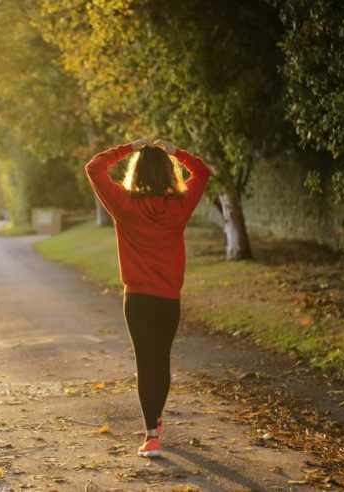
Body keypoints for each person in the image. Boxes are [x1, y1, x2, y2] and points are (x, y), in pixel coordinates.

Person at [84, 137, 212, 458]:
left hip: (138, 299)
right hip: (168, 299)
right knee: (161, 360)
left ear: (136, 173)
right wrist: (175, 152)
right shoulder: (180, 206)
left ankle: (152, 434)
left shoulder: (124, 204)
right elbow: (202, 172)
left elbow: (94, 167)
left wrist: (129, 147)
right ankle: (155, 422)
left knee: (146, 363)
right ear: (169, 173)